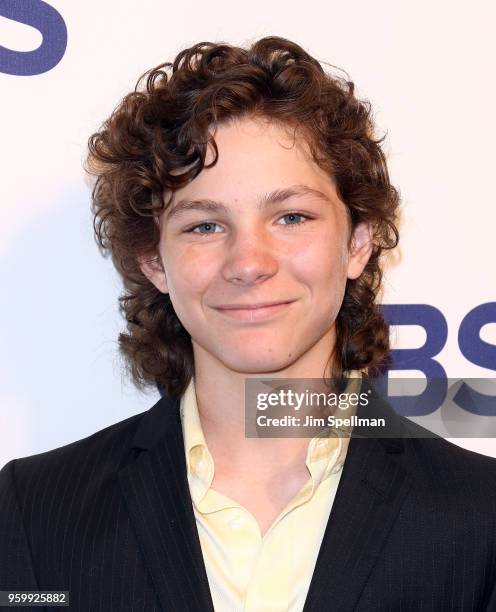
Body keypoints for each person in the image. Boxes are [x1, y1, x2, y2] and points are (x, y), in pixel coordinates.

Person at [1, 36, 495, 612]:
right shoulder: (35, 513)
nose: (249, 263)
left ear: (357, 243)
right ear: (154, 261)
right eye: (204, 226)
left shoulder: (481, 519)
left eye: (291, 217)